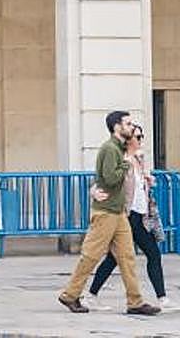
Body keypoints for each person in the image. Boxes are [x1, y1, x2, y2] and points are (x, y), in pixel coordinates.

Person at [59, 110, 160, 316]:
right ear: (117, 127)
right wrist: (127, 160)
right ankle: (70, 294)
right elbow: (110, 178)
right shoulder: (110, 149)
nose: (131, 127)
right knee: (91, 255)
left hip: (119, 213)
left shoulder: (120, 148)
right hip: (106, 213)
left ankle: (135, 301)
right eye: (128, 123)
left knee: (127, 257)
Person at [85, 123, 170, 310]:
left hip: (140, 216)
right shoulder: (122, 158)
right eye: (137, 137)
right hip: (126, 215)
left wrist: (148, 181)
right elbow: (104, 180)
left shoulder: (139, 160)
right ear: (129, 140)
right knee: (119, 257)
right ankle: (92, 295)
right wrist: (93, 191)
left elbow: (138, 188)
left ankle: (161, 297)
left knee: (148, 254)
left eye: (142, 137)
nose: (140, 141)